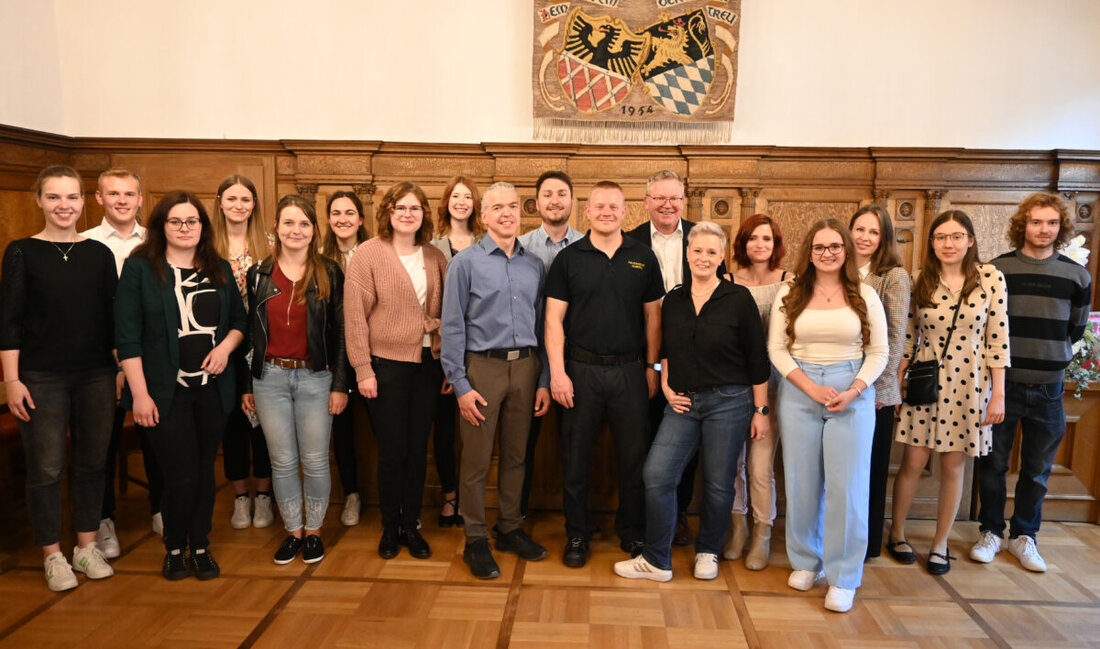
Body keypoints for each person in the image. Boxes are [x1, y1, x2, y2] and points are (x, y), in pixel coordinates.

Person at [614, 222, 770, 583]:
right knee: (656, 474)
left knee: (717, 481)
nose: (703, 257)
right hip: (682, 403)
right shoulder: (675, 299)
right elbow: (667, 349)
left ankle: (708, 551)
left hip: (729, 402)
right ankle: (656, 559)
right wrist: (666, 385)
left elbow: (757, 360)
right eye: (697, 250)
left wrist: (761, 410)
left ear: (721, 258)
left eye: (711, 252)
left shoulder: (738, 299)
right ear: (688, 255)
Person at [116, 190, 247, 581]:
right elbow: (128, 337)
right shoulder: (140, 269)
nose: (185, 228)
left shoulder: (218, 267)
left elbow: (239, 323)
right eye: (176, 221)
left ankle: (201, 545)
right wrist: (139, 394)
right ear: (162, 225)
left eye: (192, 221)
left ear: (203, 226)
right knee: (179, 471)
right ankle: (174, 546)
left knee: (205, 469)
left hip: (211, 390)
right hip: (161, 392)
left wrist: (225, 347)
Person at [1, 165, 118, 591]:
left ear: (83, 202)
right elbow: (9, 321)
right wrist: (12, 380)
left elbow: (112, 319)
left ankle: (86, 546)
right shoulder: (21, 252)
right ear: (39, 200)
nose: (64, 206)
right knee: (46, 468)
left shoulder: (98, 254)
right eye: (54, 197)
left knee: (92, 463)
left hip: (97, 375)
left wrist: (120, 369)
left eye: (71, 197)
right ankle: (52, 554)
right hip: (41, 377)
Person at [768, 219, 887, 613]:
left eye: (835, 246)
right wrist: (810, 388)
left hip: (852, 389)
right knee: (802, 482)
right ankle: (806, 561)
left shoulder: (865, 294)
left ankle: (843, 576)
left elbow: (880, 353)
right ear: (810, 252)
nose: (828, 253)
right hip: (801, 387)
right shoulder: (790, 291)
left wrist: (854, 391)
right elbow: (777, 350)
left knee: (848, 488)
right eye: (820, 247)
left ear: (846, 251)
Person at [545, 181, 665, 568]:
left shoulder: (643, 258)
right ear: (587, 212)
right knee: (576, 457)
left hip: (631, 371)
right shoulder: (568, 259)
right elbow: (552, 321)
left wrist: (652, 366)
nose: (607, 212)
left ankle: (632, 532)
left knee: (634, 458)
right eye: (599, 206)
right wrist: (558, 374)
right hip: (579, 370)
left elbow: (654, 318)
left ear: (625, 212)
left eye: (614, 206)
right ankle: (577, 533)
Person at [972, 193, 1091, 572]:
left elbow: (1076, 328)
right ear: (1023, 224)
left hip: (1049, 389)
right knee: (992, 465)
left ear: (1061, 228)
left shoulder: (1077, 275)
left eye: (1052, 223)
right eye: (1037, 222)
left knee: (1037, 470)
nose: (1044, 230)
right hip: (1000, 387)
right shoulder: (996, 270)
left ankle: (1025, 536)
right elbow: (984, 328)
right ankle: (990, 531)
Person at [889, 210, 1008, 576]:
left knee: (953, 467)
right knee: (912, 462)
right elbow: (908, 335)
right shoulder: (920, 279)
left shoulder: (990, 278)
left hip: (970, 384)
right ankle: (897, 534)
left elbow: (997, 339)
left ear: (970, 240)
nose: (948, 243)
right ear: (932, 243)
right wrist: (897, 380)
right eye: (941, 237)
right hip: (925, 380)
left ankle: (940, 543)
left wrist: (998, 393)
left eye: (956, 236)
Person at [442, 182, 551, 579]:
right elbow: (452, 326)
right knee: (475, 459)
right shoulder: (465, 263)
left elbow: (542, 324)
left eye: (512, 207)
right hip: (481, 369)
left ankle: (509, 528)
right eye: (497, 208)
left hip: (525, 367)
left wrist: (544, 378)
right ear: (483, 216)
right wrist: (459, 384)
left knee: (517, 454)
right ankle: (475, 538)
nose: (507, 213)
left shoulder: (533, 264)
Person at [242, 195, 348, 565]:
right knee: (282, 461)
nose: (296, 230)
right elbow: (249, 332)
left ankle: (314, 532)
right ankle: (293, 531)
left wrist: (339, 385)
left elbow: (341, 333)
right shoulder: (258, 274)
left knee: (316, 460)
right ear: (276, 227)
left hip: (316, 378)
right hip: (269, 378)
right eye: (288, 223)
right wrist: (246, 384)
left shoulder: (330, 272)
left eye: (304, 223)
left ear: (313, 230)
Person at [345, 182, 446, 560]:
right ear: (389, 212)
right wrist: (362, 369)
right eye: (400, 207)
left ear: (424, 214)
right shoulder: (369, 254)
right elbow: (354, 317)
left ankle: (411, 525)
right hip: (384, 366)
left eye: (415, 208)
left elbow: (447, 313)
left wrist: (446, 358)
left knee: (418, 450)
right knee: (391, 451)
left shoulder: (435, 256)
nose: (408, 214)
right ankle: (389, 527)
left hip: (427, 366)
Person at [625, 169, 726, 547]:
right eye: (660, 198)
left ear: (684, 201)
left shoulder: (704, 238)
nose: (668, 205)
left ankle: (679, 515)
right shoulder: (628, 241)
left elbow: (719, 292)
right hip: (640, 357)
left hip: (692, 362)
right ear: (647, 201)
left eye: (675, 198)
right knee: (644, 440)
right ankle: (644, 521)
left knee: (686, 444)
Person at [82, 168, 160, 557]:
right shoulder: (84, 244)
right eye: (113, 194)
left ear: (141, 199)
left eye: (130, 194)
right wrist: (116, 367)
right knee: (101, 446)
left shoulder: (156, 242)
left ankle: (162, 509)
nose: (122, 200)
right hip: (98, 362)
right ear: (98, 198)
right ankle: (103, 520)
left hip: (149, 359)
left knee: (157, 439)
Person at [722, 214, 788, 570]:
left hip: (775, 386)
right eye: (752, 238)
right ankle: (737, 528)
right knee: (733, 463)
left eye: (766, 238)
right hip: (733, 386)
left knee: (761, 466)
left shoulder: (789, 282)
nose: (759, 245)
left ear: (775, 244)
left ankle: (763, 532)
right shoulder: (727, 281)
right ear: (742, 244)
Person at [517, 170, 583, 517]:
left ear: (573, 201)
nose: (555, 200)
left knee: (577, 441)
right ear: (537, 202)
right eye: (547, 194)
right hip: (529, 355)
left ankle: (578, 518)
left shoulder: (588, 246)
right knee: (523, 440)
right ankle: (519, 512)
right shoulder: (521, 246)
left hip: (579, 355)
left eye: (561, 193)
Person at [211, 174, 275, 529]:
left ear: (254, 204)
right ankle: (239, 495)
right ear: (220, 202)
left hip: (262, 347)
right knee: (231, 423)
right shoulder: (207, 246)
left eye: (245, 199)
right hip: (220, 348)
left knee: (263, 424)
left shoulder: (268, 244)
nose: (239, 205)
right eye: (232, 199)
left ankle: (264, 495)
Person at [848, 205, 910, 559]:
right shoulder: (838, 269)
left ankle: (869, 543)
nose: (865, 237)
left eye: (873, 232)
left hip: (874, 392)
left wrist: (880, 388)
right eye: (859, 229)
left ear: (883, 237)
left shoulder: (893, 275)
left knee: (870, 469)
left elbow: (897, 338)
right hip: (839, 384)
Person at [430, 176, 484, 527]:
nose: (461, 201)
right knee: (444, 431)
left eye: (467, 196)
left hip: (479, 351)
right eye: (455, 195)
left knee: (475, 431)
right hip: (439, 351)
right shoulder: (432, 247)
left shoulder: (485, 244)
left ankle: (470, 498)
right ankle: (450, 495)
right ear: (446, 201)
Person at [321, 190, 370, 527]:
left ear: (361, 219)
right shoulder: (318, 257)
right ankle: (350, 493)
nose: (343, 219)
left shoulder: (374, 253)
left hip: (371, 355)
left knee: (382, 428)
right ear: (328, 219)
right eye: (336, 213)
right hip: (332, 359)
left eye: (349, 213)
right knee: (341, 432)